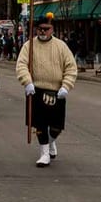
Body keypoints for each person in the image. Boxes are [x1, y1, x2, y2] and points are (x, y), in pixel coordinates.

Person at [16, 12, 77, 167]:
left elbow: (71, 67)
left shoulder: (61, 46)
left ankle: (51, 141)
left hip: (56, 91)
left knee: (56, 127)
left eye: (46, 29)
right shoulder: (28, 46)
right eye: (40, 29)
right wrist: (27, 82)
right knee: (40, 124)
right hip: (36, 90)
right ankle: (44, 153)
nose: (43, 32)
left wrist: (66, 86)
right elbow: (21, 65)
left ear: (52, 29)